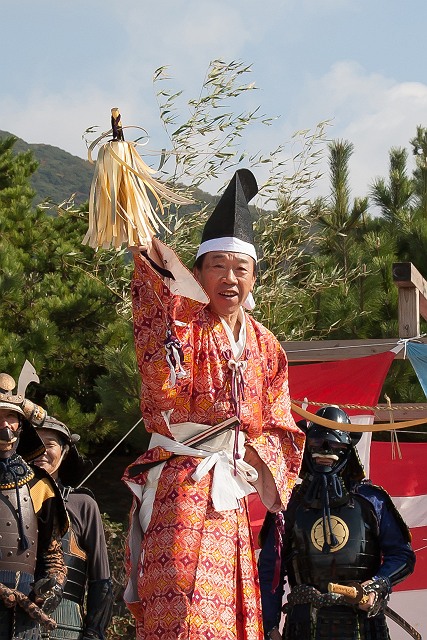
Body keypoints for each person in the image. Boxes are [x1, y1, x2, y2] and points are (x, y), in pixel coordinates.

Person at [122, 169, 305, 640]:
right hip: (183, 488)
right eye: (217, 266)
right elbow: (157, 315)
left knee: (229, 617)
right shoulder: (184, 325)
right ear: (200, 274)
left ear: (254, 277)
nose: (229, 278)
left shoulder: (266, 346)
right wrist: (145, 254)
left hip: (228, 497)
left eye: (240, 268)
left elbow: (278, 421)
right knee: (183, 607)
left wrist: (263, 464)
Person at [258, 406, 416, 640]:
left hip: (364, 626)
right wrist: (270, 627)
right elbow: (270, 570)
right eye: (317, 443)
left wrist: (377, 584)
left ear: (347, 449)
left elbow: (402, 555)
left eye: (333, 445)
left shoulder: (372, 500)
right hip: (303, 627)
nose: (324, 451)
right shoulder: (287, 504)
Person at [0, 373, 68, 640]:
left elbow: (52, 554)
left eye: (11, 417)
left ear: (21, 425)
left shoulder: (39, 484)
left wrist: (53, 585)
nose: (5, 425)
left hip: (26, 618)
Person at [33, 416, 113, 640]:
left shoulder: (82, 504)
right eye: (34, 443)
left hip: (66, 625)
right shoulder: (8, 502)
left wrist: (93, 633)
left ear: (65, 451)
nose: (41, 451)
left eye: (49, 444)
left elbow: (101, 580)